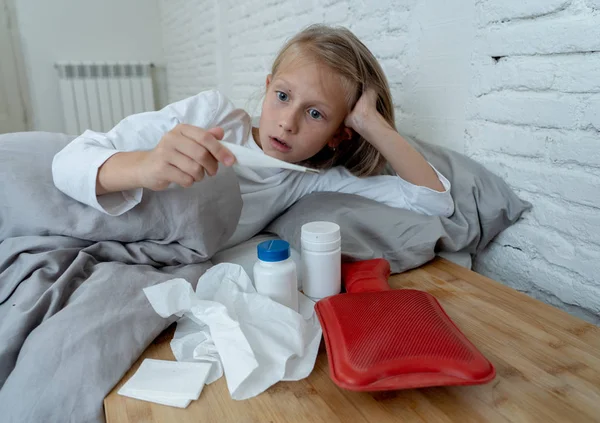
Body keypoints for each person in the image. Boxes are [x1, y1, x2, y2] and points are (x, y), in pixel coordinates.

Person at [52, 24, 454, 249]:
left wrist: (370, 121)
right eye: (282, 96)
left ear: (337, 135)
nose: (287, 122)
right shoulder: (213, 118)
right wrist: (145, 165)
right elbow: (70, 159)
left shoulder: (306, 183)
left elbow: (433, 201)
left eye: (315, 113)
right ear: (267, 87)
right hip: (64, 189)